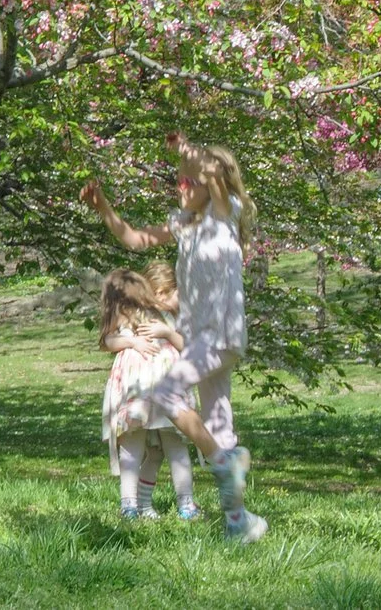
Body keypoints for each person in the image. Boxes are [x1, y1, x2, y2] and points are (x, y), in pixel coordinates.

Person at [83, 135, 265, 541]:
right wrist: (104, 208)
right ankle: (240, 523)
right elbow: (132, 239)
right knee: (218, 424)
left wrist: (187, 150)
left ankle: (225, 463)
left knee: (166, 393)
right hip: (199, 337)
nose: (181, 186)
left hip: (217, 334)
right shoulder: (182, 224)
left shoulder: (224, 213)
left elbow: (214, 172)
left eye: (189, 181)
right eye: (178, 181)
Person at [98, 268, 195, 521]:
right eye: (159, 292)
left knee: (173, 443)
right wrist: (132, 342)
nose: (162, 297)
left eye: (168, 293)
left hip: (168, 384)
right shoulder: (129, 310)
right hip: (137, 388)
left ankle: (185, 503)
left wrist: (168, 334)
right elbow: (107, 341)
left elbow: (189, 348)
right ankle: (129, 505)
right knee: (132, 444)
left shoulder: (173, 316)